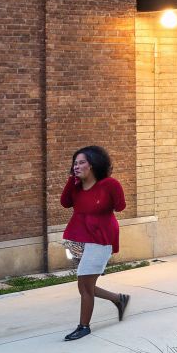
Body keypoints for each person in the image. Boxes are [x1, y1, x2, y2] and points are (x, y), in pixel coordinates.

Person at [59, 145, 129, 340]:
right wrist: (71, 182)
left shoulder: (109, 185)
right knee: (85, 285)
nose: (76, 166)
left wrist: (111, 195)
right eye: (75, 163)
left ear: (93, 165)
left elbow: (120, 206)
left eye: (81, 162)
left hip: (101, 238)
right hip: (79, 238)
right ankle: (119, 299)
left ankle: (84, 326)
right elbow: (65, 203)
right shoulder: (76, 186)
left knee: (84, 285)